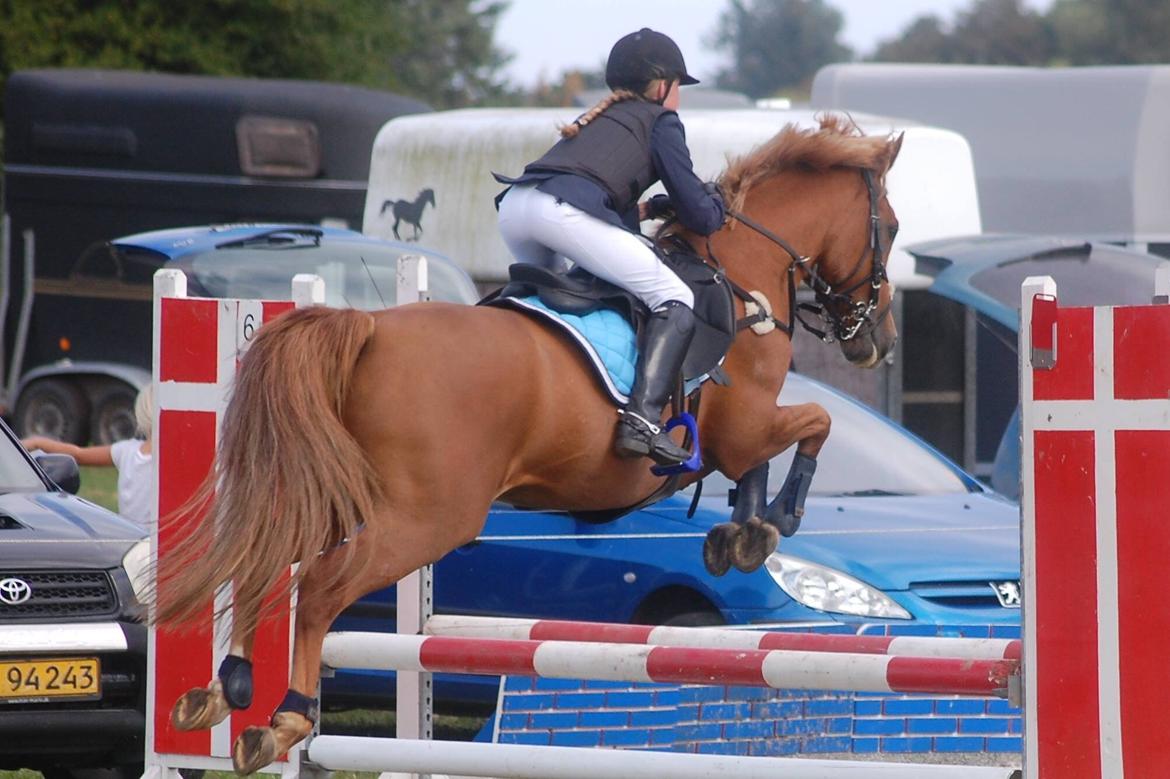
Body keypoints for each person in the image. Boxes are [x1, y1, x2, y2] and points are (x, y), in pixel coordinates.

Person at [495, 28, 725, 467]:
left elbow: (603, 204)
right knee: (675, 296)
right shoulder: (661, 121)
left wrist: (651, 208)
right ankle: (642, 420)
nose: (679, 97)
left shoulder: (600, 118)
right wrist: (716, 203)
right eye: (679, 86)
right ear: (661, 85)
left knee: (547, 304)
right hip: (559, 212)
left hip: (518, 206)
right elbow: (700, 215)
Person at [22, 385, 154, 529]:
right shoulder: (130, 451)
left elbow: (78, 454)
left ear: (141, 413)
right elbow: (78, 455)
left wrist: (37, 442)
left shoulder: (127, 450)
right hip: (153, 536)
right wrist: (38, 443)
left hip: (131, 535)